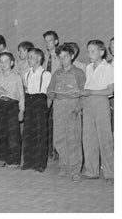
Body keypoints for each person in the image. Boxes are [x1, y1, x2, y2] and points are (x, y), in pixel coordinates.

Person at [47, 44, 85, 182]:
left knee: (73, 139)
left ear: (72, 56)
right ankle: (64, 166)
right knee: (59, 139)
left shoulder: (79, 73)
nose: (63, 60)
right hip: (58, 109)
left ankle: (75, 170)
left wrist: (77, 110)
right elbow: (49, 92)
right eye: (60, 57)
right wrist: (54, 95)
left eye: (66, 57)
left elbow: (84, 94)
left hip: (72, 109)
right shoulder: (56, 73)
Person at [80, 40, 114, 183]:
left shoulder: (108, 68)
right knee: (88, 138)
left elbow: (110, 90)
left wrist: (91, 92)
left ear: (101, 52)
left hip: (101, 102)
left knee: (105, 138)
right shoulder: (88, 67)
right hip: (88, 103)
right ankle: (92, 171)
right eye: (88, 51)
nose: (90, 54)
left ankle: (111, 173)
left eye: (93, 51)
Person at [0, 52, 24, 169]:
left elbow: (21, 95)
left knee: (13, 133)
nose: (3, 64)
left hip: (12, 105)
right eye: (1, 61)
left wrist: (21, 110)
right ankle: (0, 159)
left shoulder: (17, 77)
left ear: (12, 63)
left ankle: (14, 160)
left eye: (6, 61)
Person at [21, 48, 51, 172]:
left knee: (40, 133)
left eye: (32, 57)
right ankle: (28, 160)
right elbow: (25, 90)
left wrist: (46, 109)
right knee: (28, 132)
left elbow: (48, 95)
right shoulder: (26, 73)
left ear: (39, 58)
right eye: (28, 57)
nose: (29, 59)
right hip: (29, 100)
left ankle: (40, 163)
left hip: (40, 101)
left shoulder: (46, 74)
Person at [43, 30, 60, 160]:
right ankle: (49, 151)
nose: (47, 43)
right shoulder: (45, 57)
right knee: (47, 124)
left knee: (57, 124)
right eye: (46, 41)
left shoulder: (60, 56)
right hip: (46, 94)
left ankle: (57, 151)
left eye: (50, 40)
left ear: (56, 42)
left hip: (57, 95)